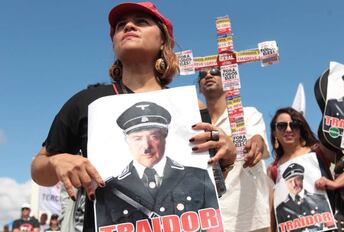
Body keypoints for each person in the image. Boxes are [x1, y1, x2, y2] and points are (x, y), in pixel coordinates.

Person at [31, 2, 236, 231]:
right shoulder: (86, 102)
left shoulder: (191, 108)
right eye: (121, 25)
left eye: (141, 22)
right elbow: (39, 168)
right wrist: (56, 162)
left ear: (163, 41)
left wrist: (226, 159)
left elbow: (208, 194)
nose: (128, 25)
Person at [95, 101, 219, 228]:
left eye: (154, 137)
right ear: (127, 140)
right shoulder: (109, 191)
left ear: (165, 137)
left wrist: (226, 162)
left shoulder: (198, 177)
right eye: (137, 138)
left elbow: (216, 225)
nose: (146, 147)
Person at [198, 67, 272, 231]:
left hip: (250, 220)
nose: (208, 75)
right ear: (199, 86)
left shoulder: (249, 114)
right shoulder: (195, 124)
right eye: (202, 74)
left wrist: (256, 143)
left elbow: (259, 142)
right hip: (211, 220)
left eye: (215, 72)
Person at [268, 107, 344, 232]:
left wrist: (335, 183)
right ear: (275, 132)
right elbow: (272, 211)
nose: (288, 129)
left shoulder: (318, 150)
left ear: (301, 129)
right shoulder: (273, 169)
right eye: (282, 126)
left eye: (294, 125)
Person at [276, 163, 330, 227]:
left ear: (302, 179)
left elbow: (330, 224)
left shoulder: (320, 199)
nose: (294, 185)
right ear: (286, 184)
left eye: (297, 179)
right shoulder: (280, 209)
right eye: (290, 181)